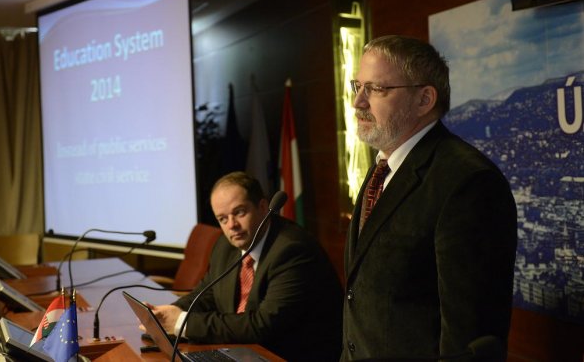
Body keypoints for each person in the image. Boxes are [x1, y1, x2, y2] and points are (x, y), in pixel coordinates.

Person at [342, 35, 517, 361]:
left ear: (424, 99)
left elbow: (469, 337)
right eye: (358, 86)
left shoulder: (468, 182)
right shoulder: (383, 167)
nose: (358, 102)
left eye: (376, 89)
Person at [147, 171, 343, 361]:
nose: (231, 225)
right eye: (222, 219)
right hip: (245, 351)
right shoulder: (225, 245)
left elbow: (262, 325)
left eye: (239, 212)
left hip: (290, 355)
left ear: (263, 207)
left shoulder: (292, 250)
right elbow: (207, 293)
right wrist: (166, 315)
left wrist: (182, 323)